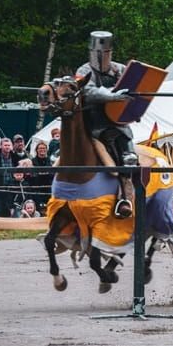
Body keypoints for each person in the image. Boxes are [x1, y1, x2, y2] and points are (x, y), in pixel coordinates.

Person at [75, 30, 136, 218]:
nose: (101, 56)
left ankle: (125, 198)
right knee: (64, 154)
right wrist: (113, 95)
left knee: (128, 160)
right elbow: (88, 91)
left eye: (105, 52)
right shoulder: (84, 71)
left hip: (116, 124)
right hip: (90, 123)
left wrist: (135, 99)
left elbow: (134, 87)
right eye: (98, 53)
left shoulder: (119, 69)